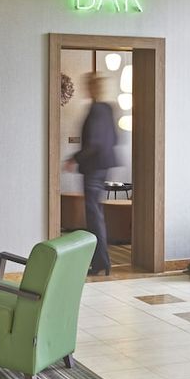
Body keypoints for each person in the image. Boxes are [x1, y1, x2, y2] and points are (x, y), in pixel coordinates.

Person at [64, 72, 118, 275]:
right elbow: (114, 139)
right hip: (104, 166)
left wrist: (74, 158)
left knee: (94, 215)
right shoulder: (108, 108)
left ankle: (101, 262)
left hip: (94, 167)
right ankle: (101, 262)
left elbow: (94, 142)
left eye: (88, 85)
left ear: (92, 87)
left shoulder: (95, 109)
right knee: (97, 214)